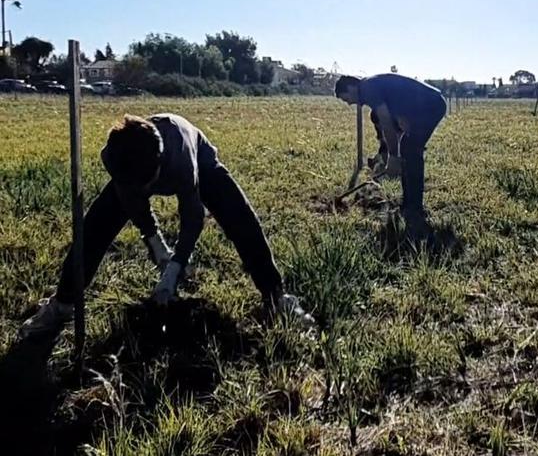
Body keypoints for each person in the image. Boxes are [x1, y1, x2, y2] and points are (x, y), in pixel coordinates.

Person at [20, 113, 311, 339]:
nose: (145, 189)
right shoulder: (116, 156)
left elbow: (193, 216)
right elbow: (131, 199)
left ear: (159, 165)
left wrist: (175, 266)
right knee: (94, 228)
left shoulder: (181, 159)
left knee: (241, 217)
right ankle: (63, 304)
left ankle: (276, 297)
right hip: (136, 168)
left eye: (148, 183)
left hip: (202, 160)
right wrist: (155, 242)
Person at [335, 74, 447, 239]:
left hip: (431, 105)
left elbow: (387, 122)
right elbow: (391, 121)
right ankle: (408, 202)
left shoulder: (368, 89)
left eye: (347, 99)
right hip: (420, 106)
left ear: (351, 88)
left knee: (411, 151)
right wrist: (387, 155)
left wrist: (394, 157)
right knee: (407, 150)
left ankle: (414, 207)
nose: (350, 103)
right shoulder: (369, 87)